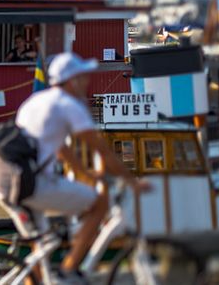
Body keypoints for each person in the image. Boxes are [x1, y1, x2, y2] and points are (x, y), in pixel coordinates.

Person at [15, 52, 147, 283]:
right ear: (72, 80)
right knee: (99, 203)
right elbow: (102, 150)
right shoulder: (68, 105)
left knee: (43, 249)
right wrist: (132, 182)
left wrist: (85, 174)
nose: (86, 82)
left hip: (12, 180)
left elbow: (61, 150)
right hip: (35, 184)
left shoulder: (35, 101)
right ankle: (69, 269)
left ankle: (37, 278)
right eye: (83, 77)